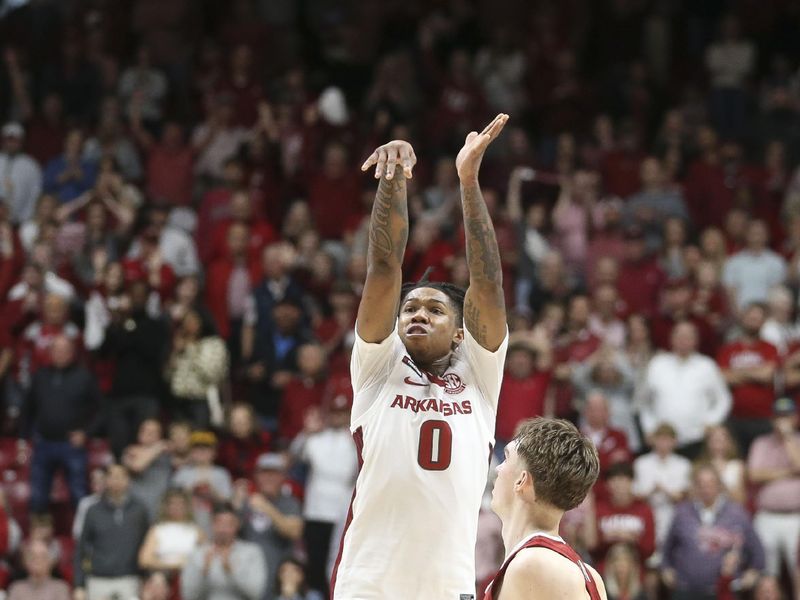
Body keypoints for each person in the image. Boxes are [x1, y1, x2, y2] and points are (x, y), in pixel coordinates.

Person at [332, 114, 510, 599]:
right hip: (368, 580)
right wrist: (392, 180)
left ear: (460, 334)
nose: (418, 315)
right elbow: (385, 266)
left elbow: (487, 284)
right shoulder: (376, 367)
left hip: (447, 583)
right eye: (410, 308)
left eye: (435, 310)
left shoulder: (479, 373)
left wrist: (468, 182)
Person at [483, 417, 606, 599]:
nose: (497, 469)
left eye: (506, 458)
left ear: (522, 480)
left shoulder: (533, 565)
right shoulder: (589, 575)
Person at [660, 463, 764, 600]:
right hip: (685, 590)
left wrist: (753, 572)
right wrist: (666, 568)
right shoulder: (682, 512)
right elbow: (667, 547)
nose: (705, 488)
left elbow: (757, 551)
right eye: (700, 483)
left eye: (710, 483)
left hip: (724, 591)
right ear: (694, 487)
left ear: (720, 485)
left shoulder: (737, 513)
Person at [74, 464, 150, 600]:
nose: (117, 481)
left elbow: (146, 545)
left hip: (130, 579)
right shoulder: (93, 511)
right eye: (112, 477)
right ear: (106, 480)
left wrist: (146, 579)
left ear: (128, 480)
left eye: (121, 476)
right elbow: (81, 549)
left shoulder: (139, 510)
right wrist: (79, 585)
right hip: (98, 579)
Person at [747, 397, 800, 591]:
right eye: (779, 416)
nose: (782, 421)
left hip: (796, 516)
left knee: (798, 570)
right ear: (772, 419)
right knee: (767, 572)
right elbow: (754, 474)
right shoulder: (761, 443)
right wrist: (787, 472)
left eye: (787, 416)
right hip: (767, 516)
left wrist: (788, 438)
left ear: (795, 418)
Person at [236, 452, 303, 600]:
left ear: (283, 477)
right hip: (247, 575)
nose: (269, 479)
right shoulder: (246, 502)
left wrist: (266, 508)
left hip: (277, 575)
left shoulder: (290, 504)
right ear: (257, 476)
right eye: (265, 473)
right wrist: (236, 506)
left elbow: (294, 532)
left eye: (274, 474)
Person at [181, 502, 267, 600]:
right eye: (219, 523)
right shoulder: (197, 554)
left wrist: (231, 571)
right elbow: (188, 596)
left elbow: (256, 594)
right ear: (212, 524)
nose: (223, 529)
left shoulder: (252, 552)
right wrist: (204, 573)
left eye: (228, 524)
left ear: (237, 525)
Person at [138, 488, 204, 573]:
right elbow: (144, 560)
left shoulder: (196, 530)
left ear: (187, 506)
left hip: (190, 576)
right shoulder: (157, 530)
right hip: (164, 576)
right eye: (172, 503)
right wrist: (174, 565)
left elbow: (204, 557)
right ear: (166, 506)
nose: (176, 507)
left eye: (180, 503)